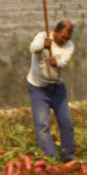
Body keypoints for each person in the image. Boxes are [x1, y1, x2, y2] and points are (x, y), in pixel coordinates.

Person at [26, 19, 76, 162]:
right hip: (38, 88)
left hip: (57, 88)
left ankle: (68, 158)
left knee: (67, 124)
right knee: (42, 125)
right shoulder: (42, 37)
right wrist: (43, 45)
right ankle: (51, 160)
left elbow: (63, 62)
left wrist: (56, 63)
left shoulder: (69, 46)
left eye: (67, 38)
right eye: (62, 37)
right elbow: (33, 48)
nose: (64, 40)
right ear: (55, 32)